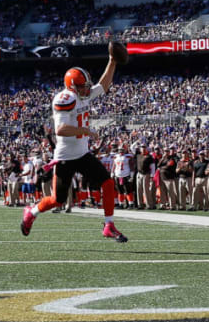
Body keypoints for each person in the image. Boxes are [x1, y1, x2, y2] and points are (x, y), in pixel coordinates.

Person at [20, 48, 128, 243]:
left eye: (87, 86)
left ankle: (109, 225)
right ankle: (32, 211)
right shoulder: (65, 99)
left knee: (108, 183)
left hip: (82, 153)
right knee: (57, 200)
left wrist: (112, 61)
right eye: (83, 87)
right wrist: (85, 131)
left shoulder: (83, 94)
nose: (87, 89)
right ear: (72, 87)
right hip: (65, 157)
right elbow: (60, 129)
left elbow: (103, 85)